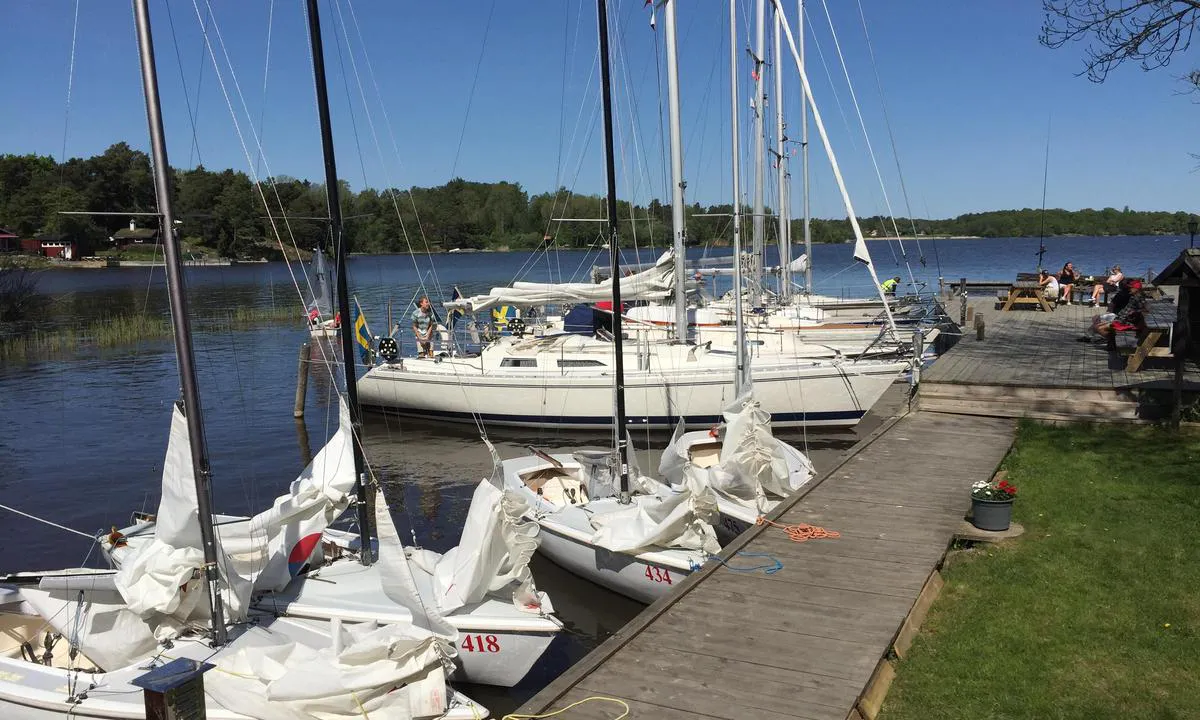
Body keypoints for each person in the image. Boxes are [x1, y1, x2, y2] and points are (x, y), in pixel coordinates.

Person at [1094, 279, 1147, 350]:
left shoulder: (1138, 298)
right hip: (1122, 319)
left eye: (1131, 288)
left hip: (1127, 322)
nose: (1130, 289)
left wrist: (1131, 316)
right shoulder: (1133, 296)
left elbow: (1142, 309)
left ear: (1136, 289)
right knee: (1099, 325)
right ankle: (1111, 344)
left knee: (1099, 328)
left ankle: (1113, 343)